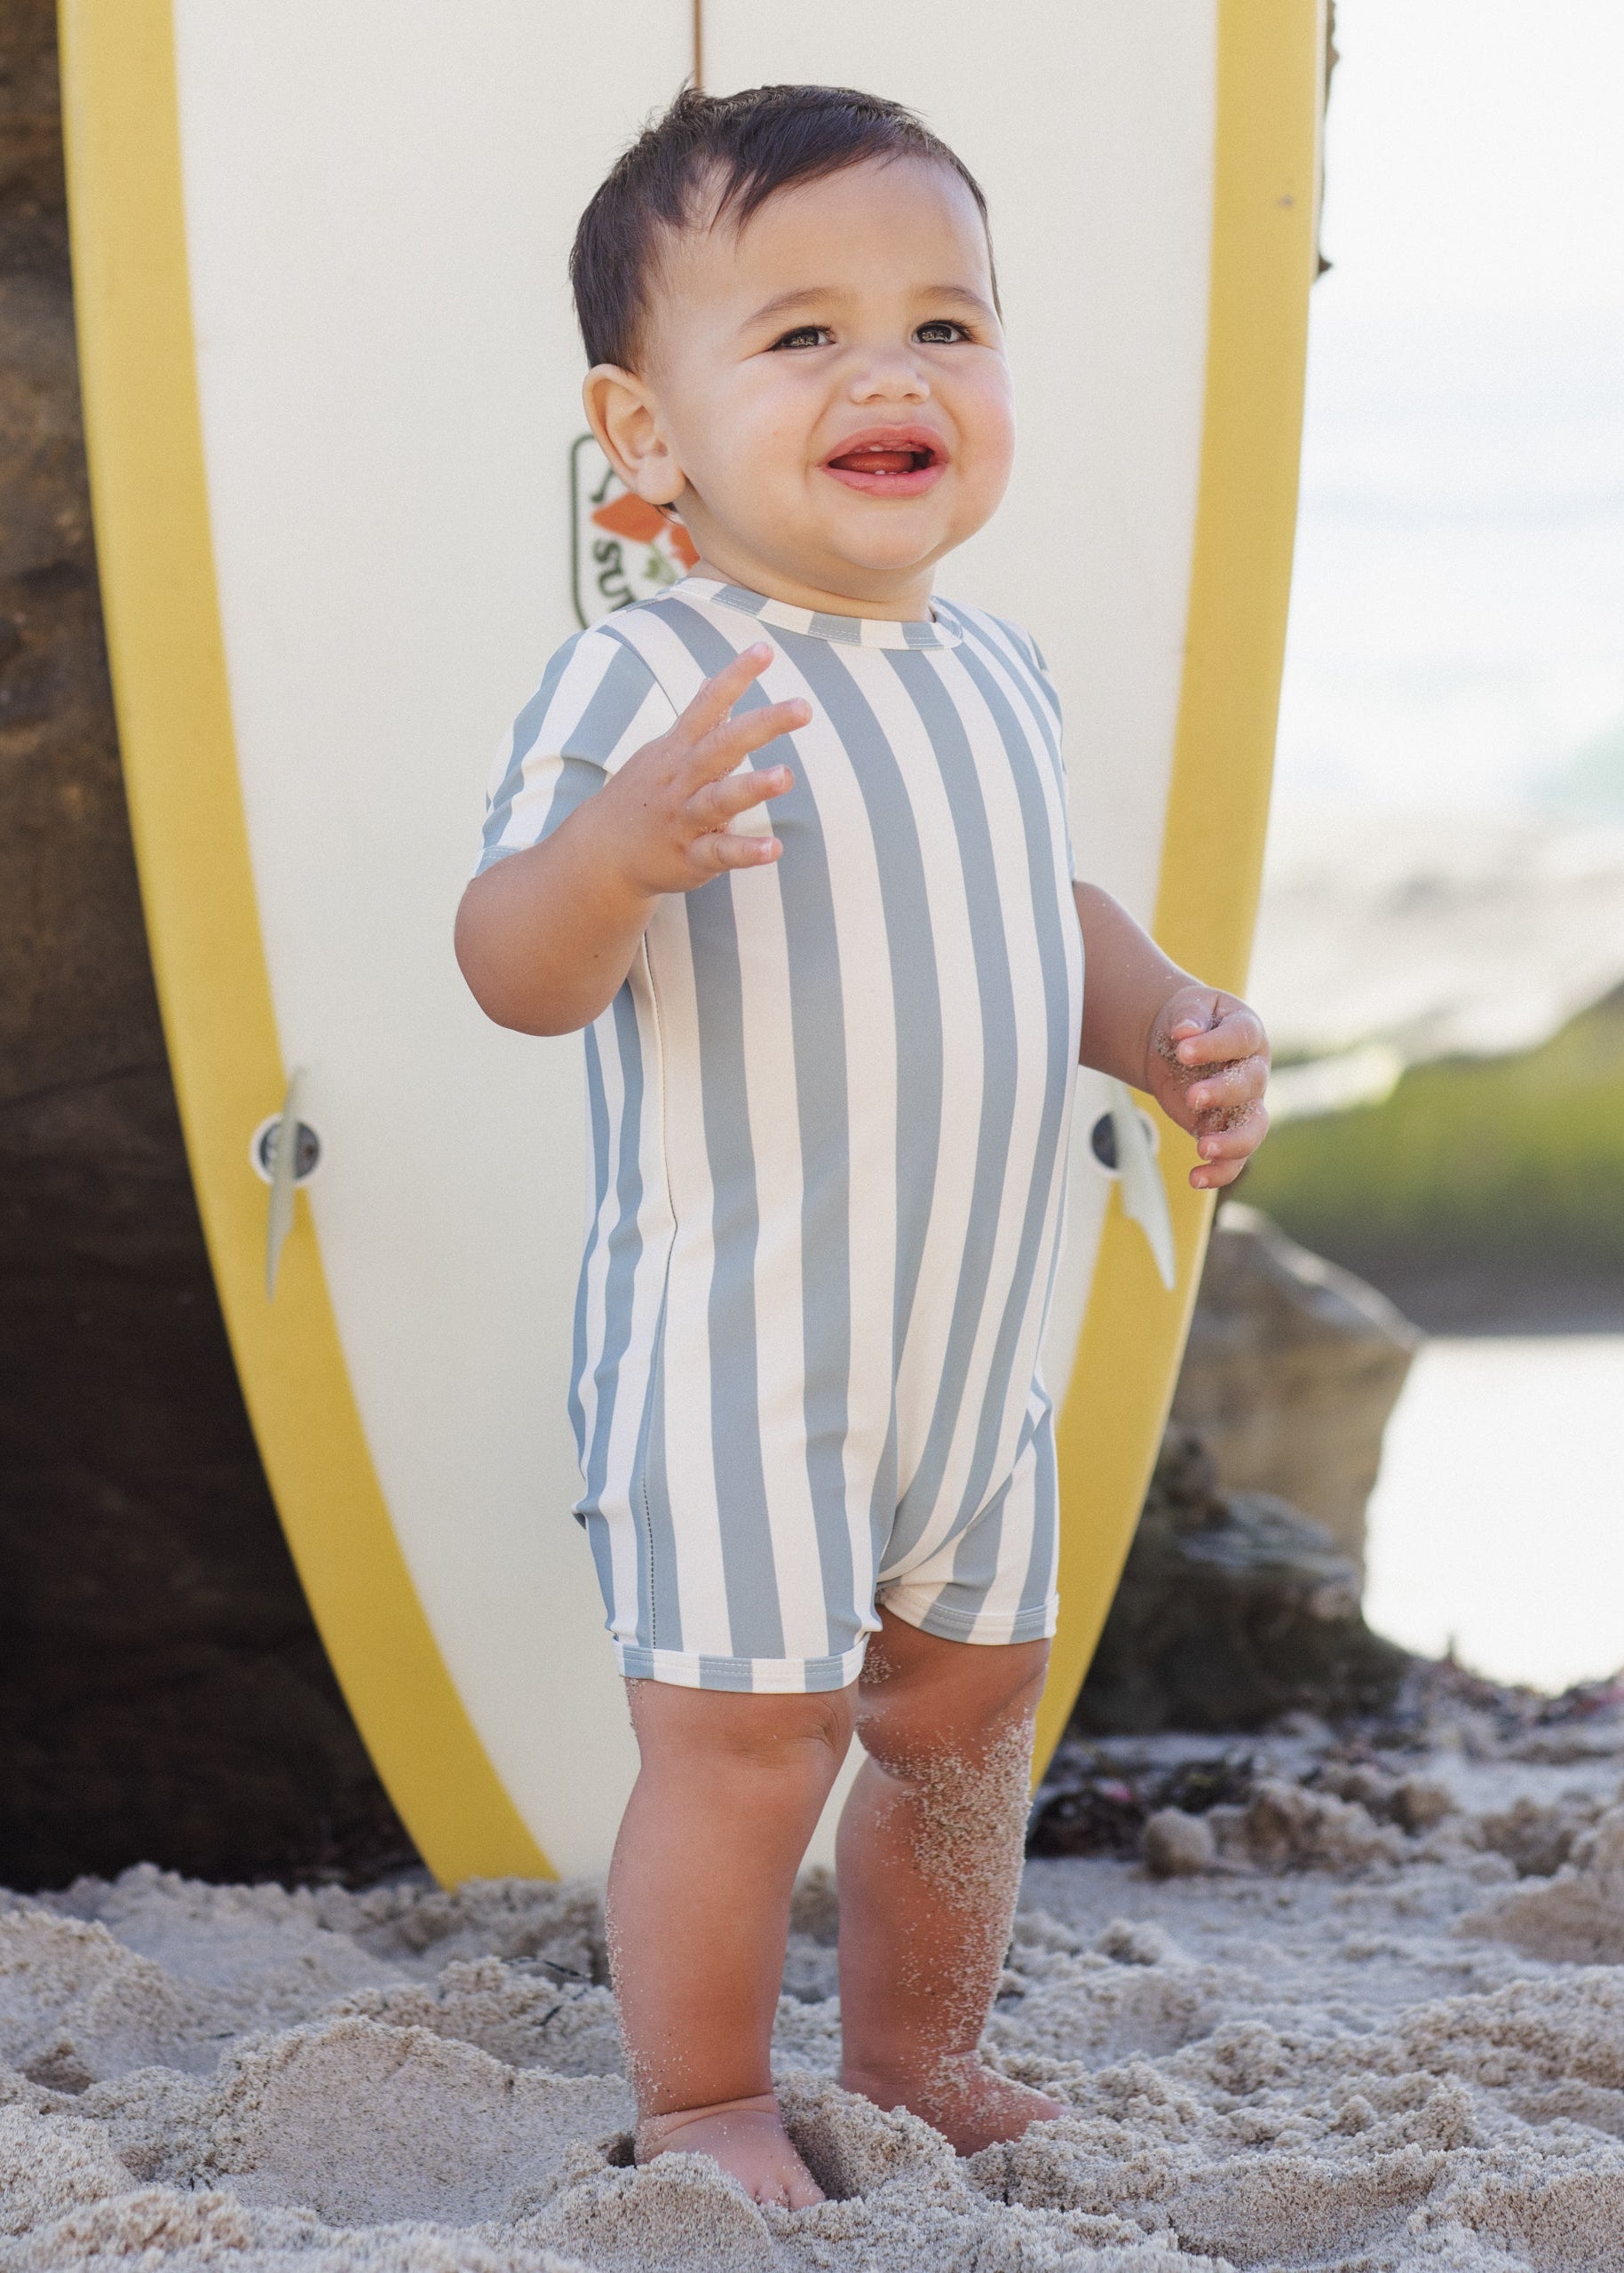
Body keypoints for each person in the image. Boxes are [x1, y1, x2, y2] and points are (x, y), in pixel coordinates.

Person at [456, 83, 1270, 2209]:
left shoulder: (998, 673)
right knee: (747, 1742)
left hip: (971, 1351)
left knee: (968, 1709)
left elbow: (1038, 916)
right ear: (643, 437)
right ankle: (711, 2092)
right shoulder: (645, 674)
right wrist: (615, 858)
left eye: (946, 324)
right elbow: (511, 964)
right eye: (803, 334)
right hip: (743, 1352)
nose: (891, 371)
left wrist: (1168, 1019)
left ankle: (922, 2054)